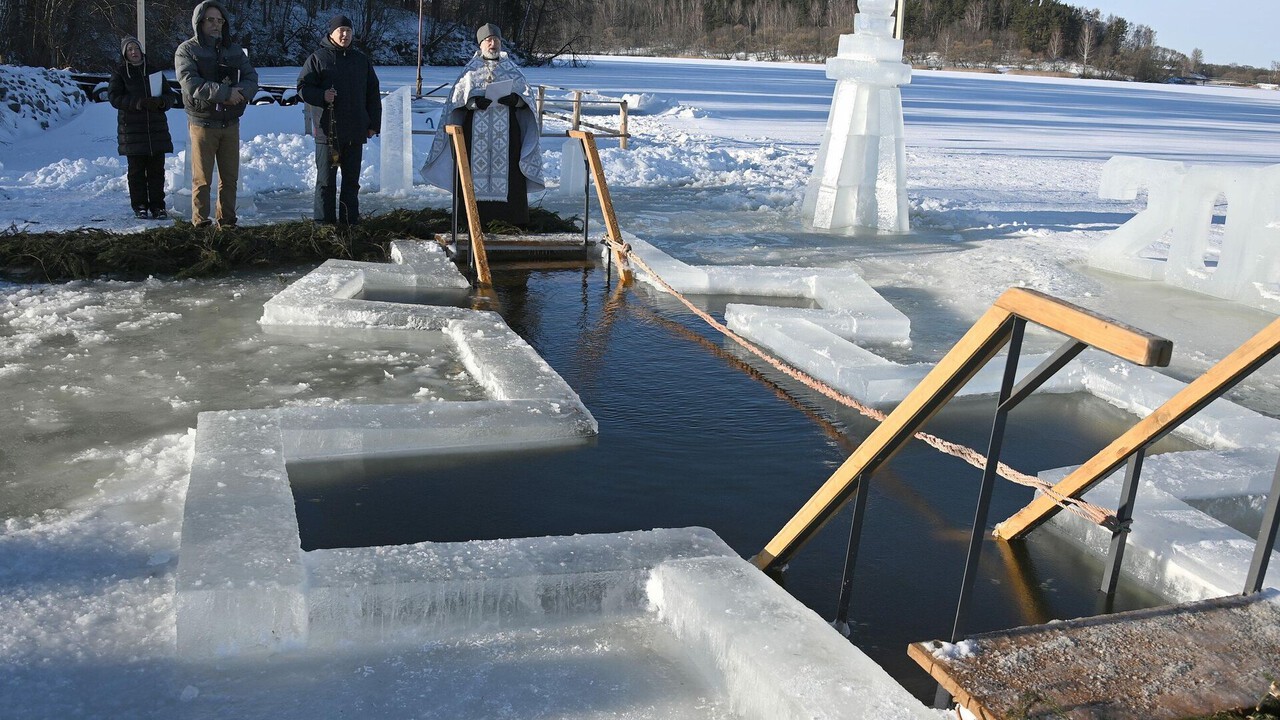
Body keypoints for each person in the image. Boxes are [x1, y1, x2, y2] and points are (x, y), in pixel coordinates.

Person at [421, 23, 543, 227]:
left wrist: (517, 101)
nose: (493, 43)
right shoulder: (470, 72)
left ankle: (512, 220)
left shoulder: (513, 71)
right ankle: (470, 219)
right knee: (469, 171)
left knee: (511, 173)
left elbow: (528, 102)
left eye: (496, 40)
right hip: (474, 134)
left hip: (507, 135)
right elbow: (455, 102)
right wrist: (471, 103)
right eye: (488, 40)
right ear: (480, 44)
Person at [174, 0, 258, 228]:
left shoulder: (233, 50)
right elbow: (191, 83)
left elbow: (252, 77)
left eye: (219, 20)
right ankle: (200, 223)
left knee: (230, 178)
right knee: (201, 180)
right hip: (203, 123)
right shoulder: (187, 50)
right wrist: (225, 93)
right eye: (210, 19)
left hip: (230, 122)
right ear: (199, 22)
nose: (215, 24)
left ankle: (228, 222)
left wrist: (241, 93)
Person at [297, 15, 381, 225]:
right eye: (341, 30)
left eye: (348, 31)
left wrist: (373, 124)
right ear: (331, 33)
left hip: (354, 131)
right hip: (328, 133)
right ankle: (323, 225)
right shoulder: (318, 58)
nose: (345, 34)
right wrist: (322, 96)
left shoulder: (361, 60)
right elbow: (303, 88)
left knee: (351, 183)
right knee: (326, 182)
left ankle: (349, 224)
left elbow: (373, 93)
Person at [107, 36, 177, 220]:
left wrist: (161, 102)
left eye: (136, 48)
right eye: (129, 49)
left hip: (156, 130)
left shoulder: (154, 72)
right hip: (132, 131)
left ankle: (158, 206)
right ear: (125, 54)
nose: (133, 52)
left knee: (157, 171)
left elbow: (170, 96)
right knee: (136, 172)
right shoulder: (120, 73)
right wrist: (138, 103)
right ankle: (139, 205)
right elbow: (114, 98)